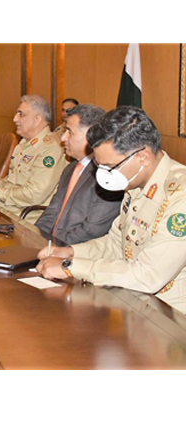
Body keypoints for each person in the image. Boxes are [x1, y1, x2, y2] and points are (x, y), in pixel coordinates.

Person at [37, 106, 186, 315]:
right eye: (100, 167)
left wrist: (70, 266)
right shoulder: (135, 182)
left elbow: (148, 276)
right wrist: (70, 251)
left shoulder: (180, 196)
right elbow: (116, 243)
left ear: (142, 157)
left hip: (171, 321)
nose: (105, 176)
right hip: (135, 306)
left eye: (111, 167)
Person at [35, 104, 123, 245]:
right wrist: (35, 240)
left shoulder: (108, 176)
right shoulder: (70, 169)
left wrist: (55, 249)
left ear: (90, 135)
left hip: (77, 254)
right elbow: (51, 213)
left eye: (69, 132)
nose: (63, 138)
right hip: (51, 247)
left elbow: (91, 231)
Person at [0, 95, 67, 221]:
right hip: (6, 209)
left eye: (21, 114)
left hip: (25, 218)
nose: (14, 119)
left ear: (37, 119)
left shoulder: (50, 149)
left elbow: (34, 194)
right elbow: (12, 181)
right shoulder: (24, 144)